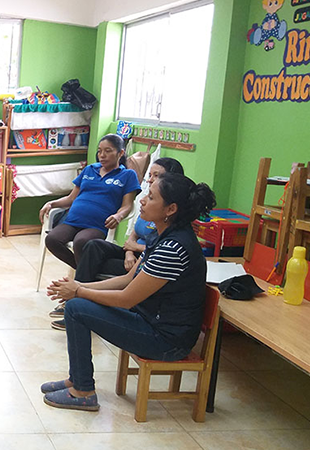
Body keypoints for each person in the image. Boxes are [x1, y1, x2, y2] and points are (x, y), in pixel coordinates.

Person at [40, 172, 216, 411]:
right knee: (76, 305)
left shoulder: (173, 248)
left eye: (151, 197)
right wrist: (78, 286)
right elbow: (126, 280)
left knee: (76, 308)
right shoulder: (161, 236)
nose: (142, 200)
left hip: (166, 340)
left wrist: (78, 292)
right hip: (150, 321)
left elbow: (126, 299)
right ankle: (77, 379)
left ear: (171, 209)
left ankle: (83, 390)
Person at [49, 157, 185, 331]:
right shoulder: (150, 205)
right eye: (150, 175)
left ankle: (78, 304)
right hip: (134, 255)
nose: (150, 180)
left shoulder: (168, 218)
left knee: (91, 262)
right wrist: (129, 251)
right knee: (93, 247)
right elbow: (134, 234)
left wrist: (136, 249)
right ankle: (78, 302)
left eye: (156, 176)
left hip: (145, 262)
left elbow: (158, 249)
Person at [39, 134, 141, 269]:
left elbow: (127, 205)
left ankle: (82, 276)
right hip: (73, 221)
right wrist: (51, 203)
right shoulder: (89, 169)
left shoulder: (128, 175)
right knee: (52, 239)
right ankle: (83, 272)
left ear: (120, 153)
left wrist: (118, 216)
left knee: (81, 242)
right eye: (99, 151)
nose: (102, 155)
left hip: (97, 225)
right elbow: (71, 198)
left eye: (108, 151)